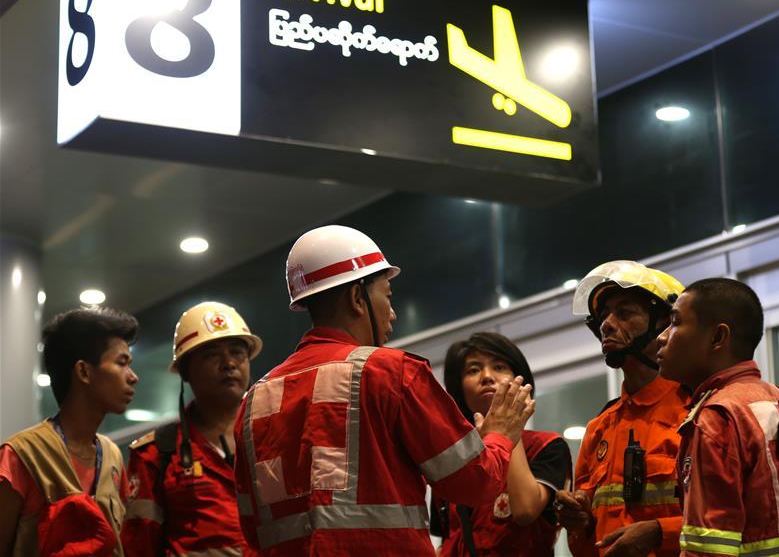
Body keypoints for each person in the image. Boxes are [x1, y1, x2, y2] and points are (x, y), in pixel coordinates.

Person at [233, 224, 535, 555]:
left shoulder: (253, 403)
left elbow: (250, 526)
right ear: (356, 298)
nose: (391, 314)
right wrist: (500, 436)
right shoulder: (392, 373)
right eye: (387, 296)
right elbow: (474, 483)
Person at [556, 260, 688, 557]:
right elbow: (585, 548)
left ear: (663, 322)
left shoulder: (697, 412)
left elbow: (726, 521)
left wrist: (659, 533)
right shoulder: (599, 428)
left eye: (625, 313)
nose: (606, 324)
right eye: (603, 315)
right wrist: (580, 522)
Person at [655, 278, 779, 556]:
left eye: (676, 323)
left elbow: (709, 550)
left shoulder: (716, 418)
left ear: (718, 338)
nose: (662, 336)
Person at [121, 301, 263, 556]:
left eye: (237, 352)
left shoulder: (272, 438)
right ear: (186, 371)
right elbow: (137, 545)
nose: (228, 363)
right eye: (212, 354)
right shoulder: (156, 453)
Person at [0, 307, 140, 556]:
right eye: (122, 363)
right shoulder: (21, 455)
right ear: (84, 372)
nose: (133, 377)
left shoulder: (112, 456)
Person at [431, 332, 572, 556]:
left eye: (499, 367)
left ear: (520, 380)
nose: (487, 376)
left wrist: (507, 429)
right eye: (473, 370)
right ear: (458, 390)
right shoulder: (453, 454)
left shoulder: (548, 446)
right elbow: (446, 538)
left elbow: (525, 510)